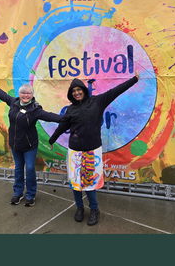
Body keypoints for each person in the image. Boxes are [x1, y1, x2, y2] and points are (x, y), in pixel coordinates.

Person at [48, 70, 140, 226]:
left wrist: (134, 79)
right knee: (76, 183)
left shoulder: (98, 101)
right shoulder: (70, 110)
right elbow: (62, 126)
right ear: (71, 94)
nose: (77, 93)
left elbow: (116, 90)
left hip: (92, 151)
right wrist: (52, 140)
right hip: (75, 151)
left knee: (90, 183)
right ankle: (79, 208)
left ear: (84, 90)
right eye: (74, 91)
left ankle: (94, 210)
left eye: (79, 89)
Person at [0, 75, 62, 207]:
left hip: (29, 145)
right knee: (19, 169)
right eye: (23, 93)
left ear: (32, 95)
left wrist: (70, 119)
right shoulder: (13, 103)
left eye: (28, 93)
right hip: (15, 144)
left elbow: (50, 116)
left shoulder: (35, 110)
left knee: (30, 169)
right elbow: (2, 94)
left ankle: (31, 195)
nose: (25, 95)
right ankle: (18, 193)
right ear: (19, 94)